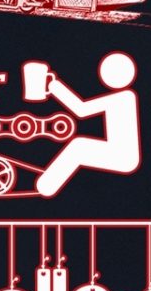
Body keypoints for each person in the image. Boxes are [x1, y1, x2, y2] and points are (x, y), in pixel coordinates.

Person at [33, 52, 140, 197]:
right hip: (120, 152)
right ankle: (45, 185)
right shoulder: (126, 96)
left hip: (122, 155)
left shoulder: (123, 97)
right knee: (79, 145)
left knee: (78, 147)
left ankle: (45, 186)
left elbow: (81, 110)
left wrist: (54, 86)